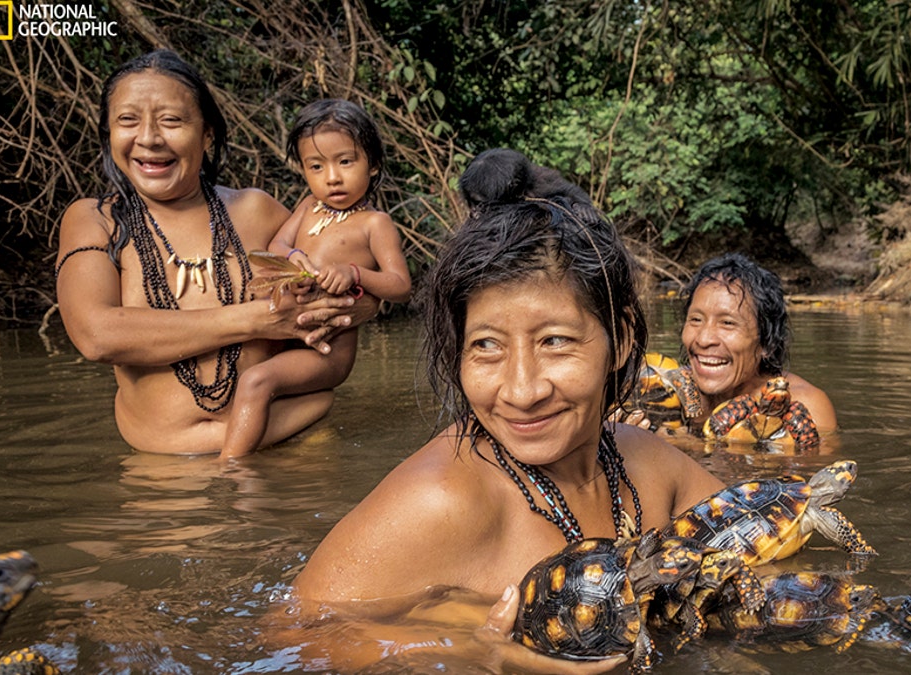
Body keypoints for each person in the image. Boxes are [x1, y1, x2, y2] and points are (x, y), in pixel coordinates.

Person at [285, 152, 726, 671]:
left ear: (622, 339)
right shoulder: (439, 501)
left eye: (556, 341)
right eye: (487, 346)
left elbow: (770, 542)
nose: (522, 390)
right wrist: (471, 649)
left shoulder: (650, 465)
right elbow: (290, 637)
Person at [54, 50, 377, 456]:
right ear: (108, 134)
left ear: (207, 134)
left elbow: (355, 274)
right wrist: (258, 319)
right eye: (127, 120)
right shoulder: (95, 220)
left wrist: (357, 302)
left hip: (292, 449)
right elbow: (96, 336)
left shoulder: (257, 212)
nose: (149, 137)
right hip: (161, 478)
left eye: (171, 120)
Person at [221, 99, 411, 459]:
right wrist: (294, 260)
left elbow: (401, 286)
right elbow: (277, 244)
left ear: (373, 165)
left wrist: (354, 273)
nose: (332, 177)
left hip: (328, 353)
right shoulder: (308, 206)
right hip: (290, 337)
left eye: (345, 161)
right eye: (316, 166)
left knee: (255, 380)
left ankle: (229, 472)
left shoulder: (375, 224)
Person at [623, 253, 837, 449]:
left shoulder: (803, 406)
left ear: (768, 344)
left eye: (727, 323)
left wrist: (688, 445)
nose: (704, 339)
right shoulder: (663, 389)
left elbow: (808, 482)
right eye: (696, 320)